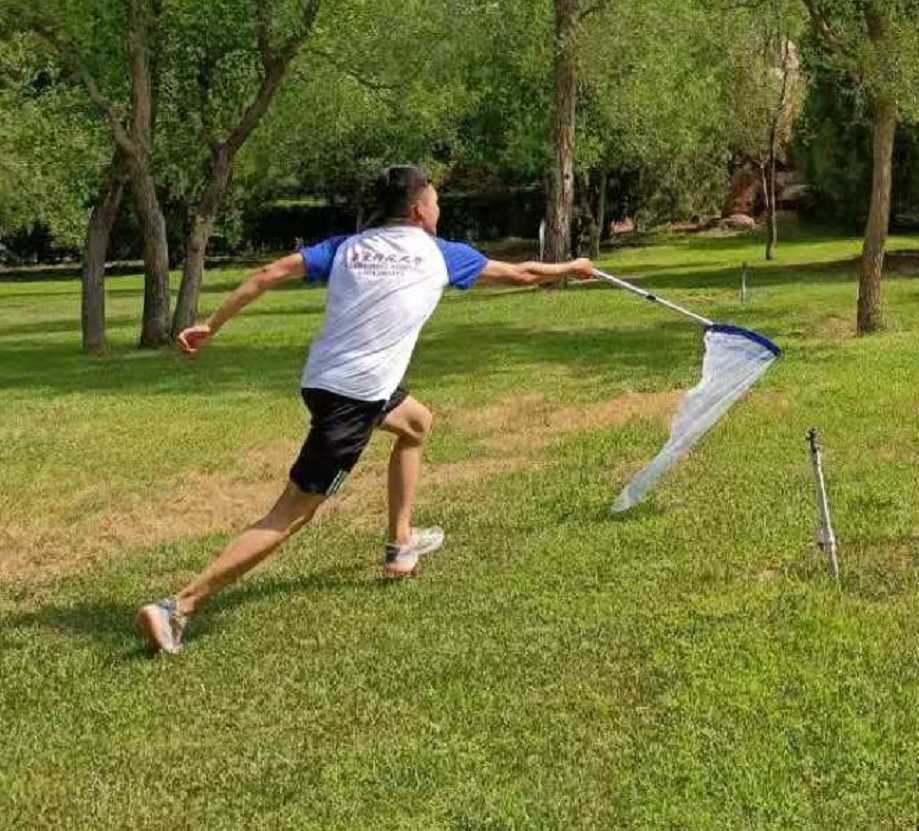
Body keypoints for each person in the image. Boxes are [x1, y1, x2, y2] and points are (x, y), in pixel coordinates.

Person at [137, 165, 594, 655]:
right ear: (418, 211)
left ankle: (400, 545)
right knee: (293, 512)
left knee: (416, 423)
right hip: (354, 398)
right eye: (435, 202)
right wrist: (572, 268)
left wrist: (211, 326)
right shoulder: (440, 254)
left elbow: (270, 274)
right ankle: (177, 606)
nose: (438, 209)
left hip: (323, 382)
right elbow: (523, 274)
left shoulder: (347, 247)